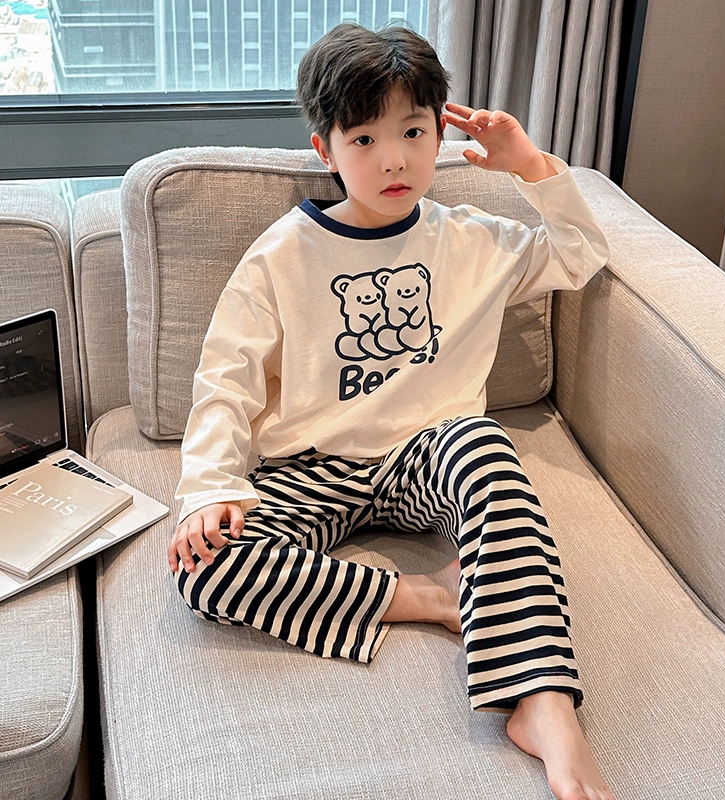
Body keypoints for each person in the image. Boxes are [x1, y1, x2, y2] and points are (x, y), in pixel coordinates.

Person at [168, 22, 614, 800]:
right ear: (326, 150)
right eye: (365, 139)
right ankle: (431, 597)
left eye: (413, 132)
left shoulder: (475, 241)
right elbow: (226, 378)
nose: (394, 160)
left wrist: (530, 165)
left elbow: (579, 254)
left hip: (424, 458)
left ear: (440, 133)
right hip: (309, 468)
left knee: (485, 446)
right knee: (202, 568)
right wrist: (209, 489)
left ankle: (544, 705)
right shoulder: (281, 255)